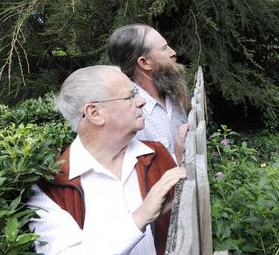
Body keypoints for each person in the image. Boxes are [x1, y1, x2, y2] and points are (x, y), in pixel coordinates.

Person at [27, 65, 186, 254]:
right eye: (130, 96)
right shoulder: (52, 188)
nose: (142, 101)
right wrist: (140, 217)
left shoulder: (156, 155)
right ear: (95, 113)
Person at [106, 24, 189, 158]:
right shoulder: (130, 116)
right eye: (164, 48)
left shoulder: (172, 93)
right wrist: (179, 155)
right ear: (144, 63)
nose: (172, 52)